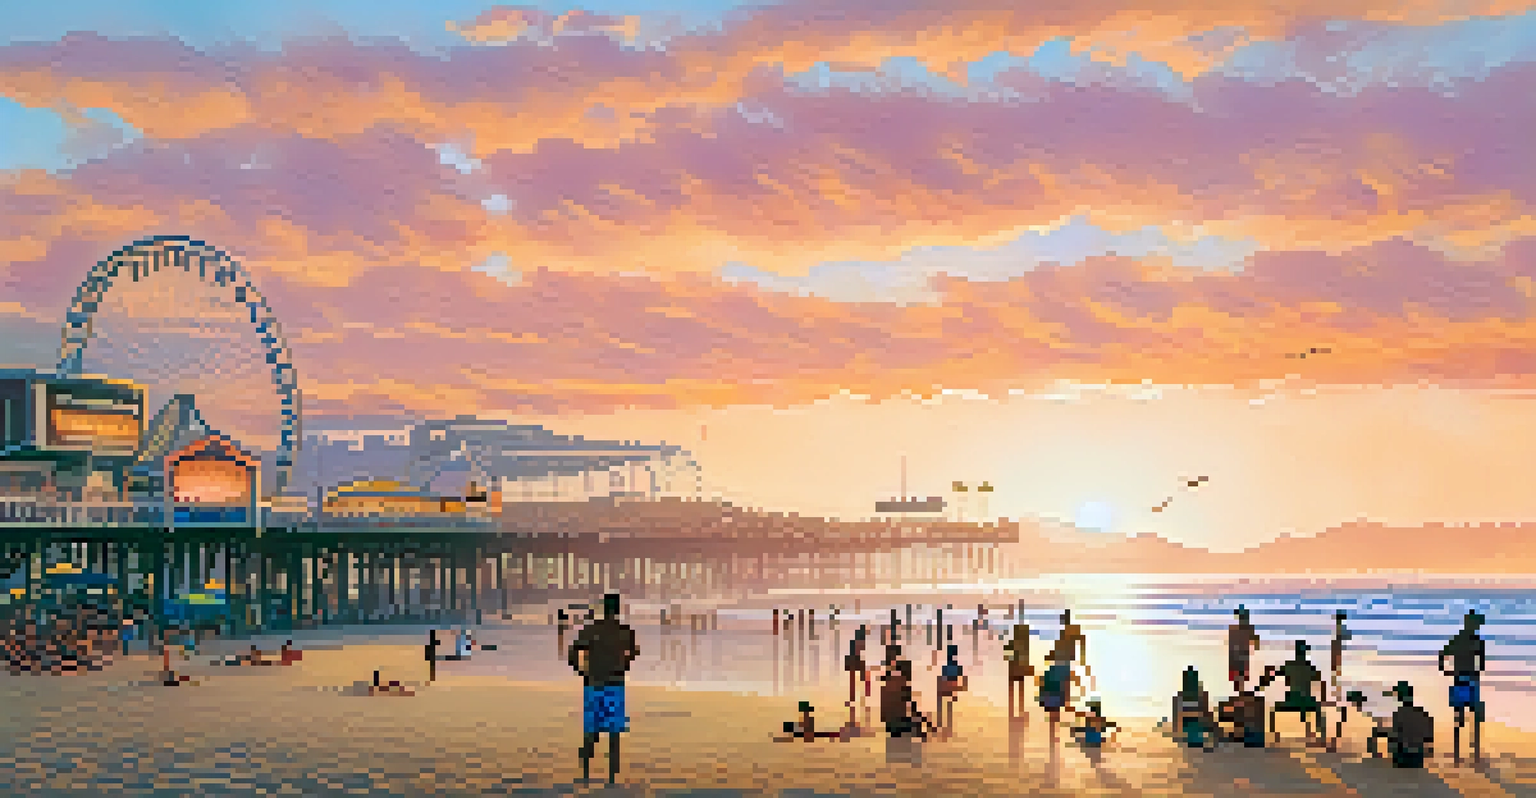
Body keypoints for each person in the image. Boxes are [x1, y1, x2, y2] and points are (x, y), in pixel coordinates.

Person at [568, 593, 640, 784]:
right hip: (614, 682)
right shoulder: (623, 631)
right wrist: (624, 663)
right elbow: (634, 651)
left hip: (594, 682)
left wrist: (581, 670)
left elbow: (573, 652)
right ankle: (611, 775)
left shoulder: (591, 630)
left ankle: (585, 770)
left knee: (592, 730)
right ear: (617, 610)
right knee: (613, 732)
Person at [1439, 610, 1486, 764]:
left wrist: (1445, 670)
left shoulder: (1457, 639)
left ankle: (1457, 752)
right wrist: (1476, 672)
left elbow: (1442, 654)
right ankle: (1475, 752)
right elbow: (1482, 664)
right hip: (1471, 679)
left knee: (1458, 718)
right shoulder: (1478, 641)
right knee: (1476, 716)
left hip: (1459, 678)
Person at [1258, 640, 1325, 746]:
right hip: (1307, 701)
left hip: (1291, 701)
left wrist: (1262, 684)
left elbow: (1273, 674)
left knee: (1272, 711)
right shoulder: (1310, 667)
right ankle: (1321, 736)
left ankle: (1274, 734)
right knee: (1318, 709)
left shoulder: (1289, 665)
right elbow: (1320, 681)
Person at [1384, 681, 1434, 768]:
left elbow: (1396, 737)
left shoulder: (1398, 714)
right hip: (1418, 755)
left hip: (1402, 756)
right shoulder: (1424, 714)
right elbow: (1429, 739)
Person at [1172, 666, 1216, 750]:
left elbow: (1176, 718)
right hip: (1196, 726)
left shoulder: (1179, 697)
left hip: (1188, 728)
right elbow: (1206, 714)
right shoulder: (1202, 695)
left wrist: (1177, 734)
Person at [1005, 622, 1034, 719]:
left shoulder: (1012, 643)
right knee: (1020, 691)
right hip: (1020, 670)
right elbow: (1025, 659)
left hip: (1012, 669)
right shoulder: (1025, 646)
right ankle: (1020, 710)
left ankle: (1011, 710)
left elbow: (1006, 656)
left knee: (1012, 691)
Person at [1228, 606, 1261, 691]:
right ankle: (1240, 692)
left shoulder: (1239, 628)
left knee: (1239, 675)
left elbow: (1254, 638)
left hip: (1239, 654)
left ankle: (1240, 692)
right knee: (1239, 676)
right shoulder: (1241, 628)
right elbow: (1255, 638)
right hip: (1238, 654)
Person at [937, 644, 967, 730]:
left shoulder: (946, 667)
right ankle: (948, 724)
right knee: (948, 705)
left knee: (941, 702)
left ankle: (941, 722)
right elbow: (963, 679)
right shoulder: (957, 667)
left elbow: (942, 678)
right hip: (951, 686)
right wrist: (960, 688)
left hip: (947, 685)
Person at [845, 625, 869, 704]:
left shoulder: (853, 642)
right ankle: (866, 692)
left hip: (851, 660)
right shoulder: (860, 642)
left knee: (852, 680)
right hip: (854, 660)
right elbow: (859, 650)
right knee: (863, 675)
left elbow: (857, 650)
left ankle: (853, 697)